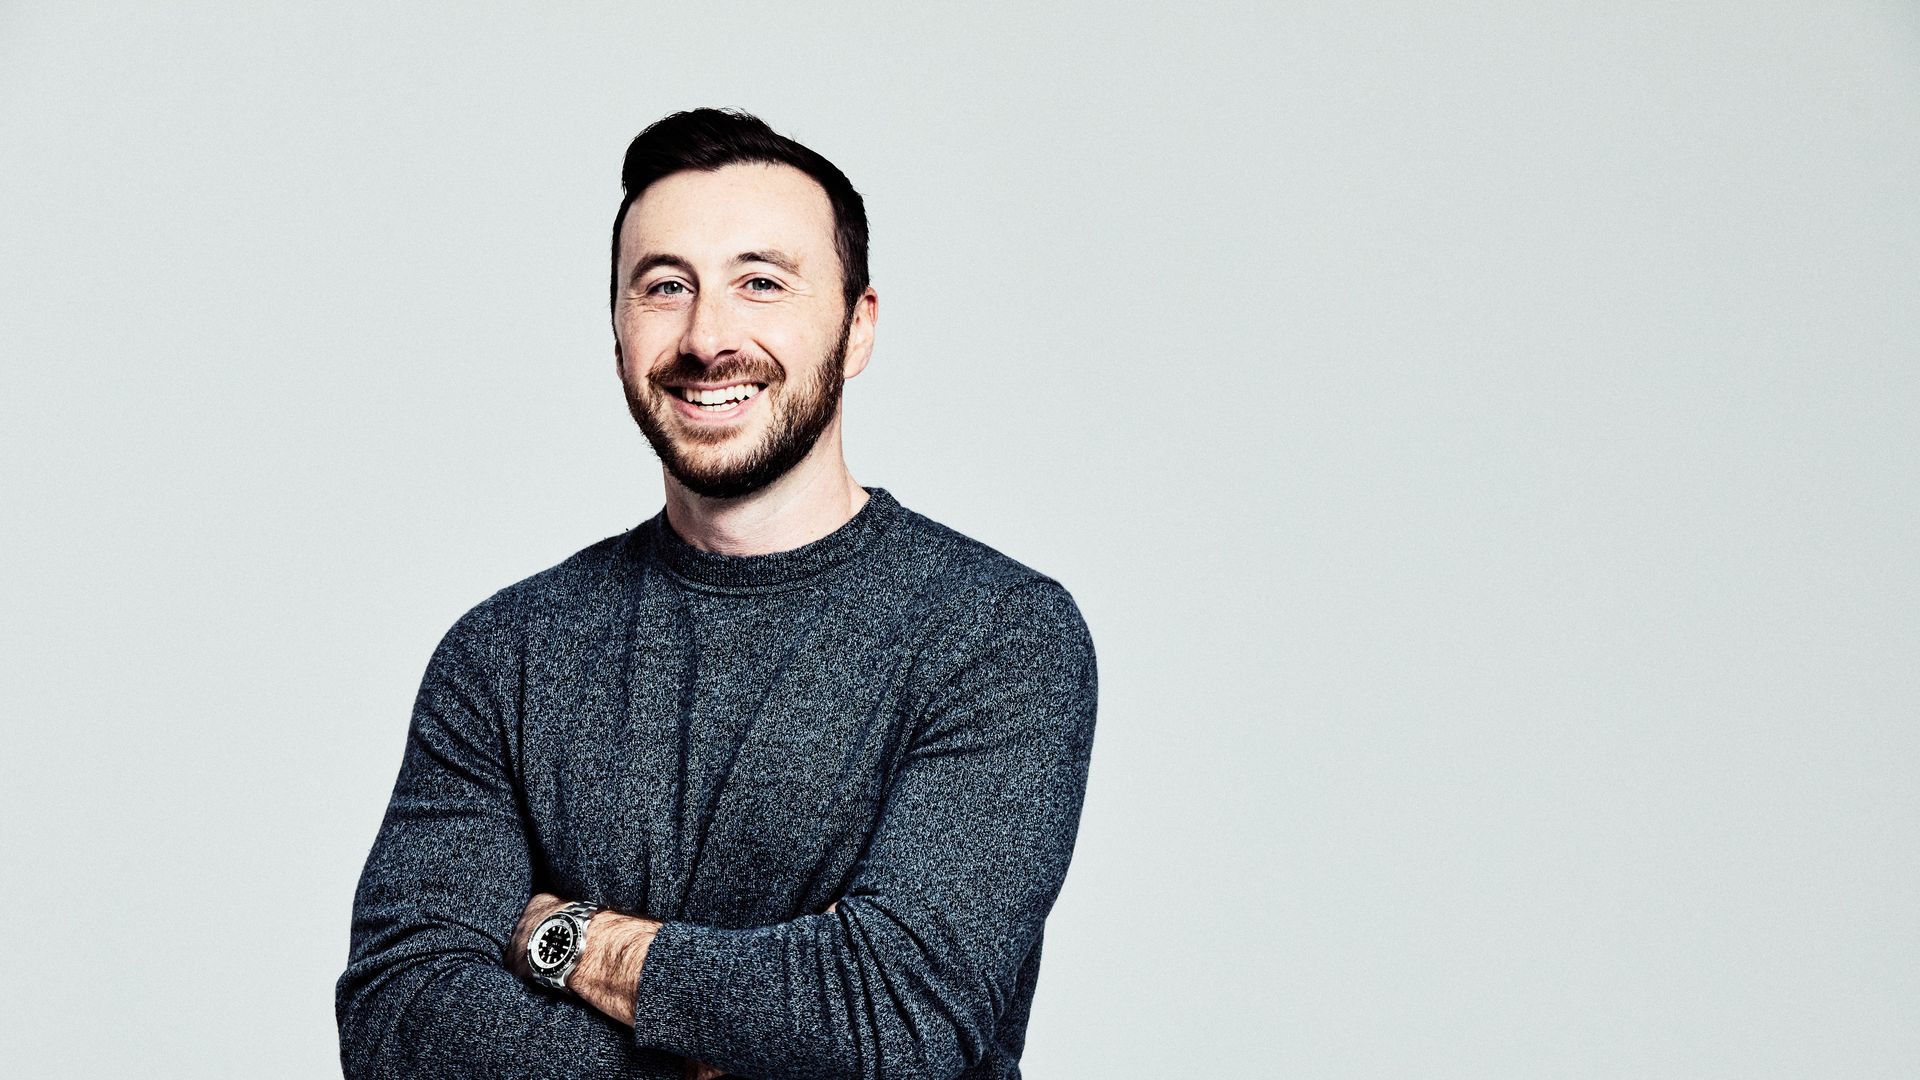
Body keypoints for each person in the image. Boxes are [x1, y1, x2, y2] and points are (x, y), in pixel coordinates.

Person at [333, 108, 1099, 1080]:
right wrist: (752, 1023)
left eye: (760, 283)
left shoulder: (996, 636)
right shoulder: (503, 654)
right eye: (664, 287)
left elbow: (891, 1026)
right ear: (616, 330)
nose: (707, 337)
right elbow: (397, 1028)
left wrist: (564, 940)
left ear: (858, 326)